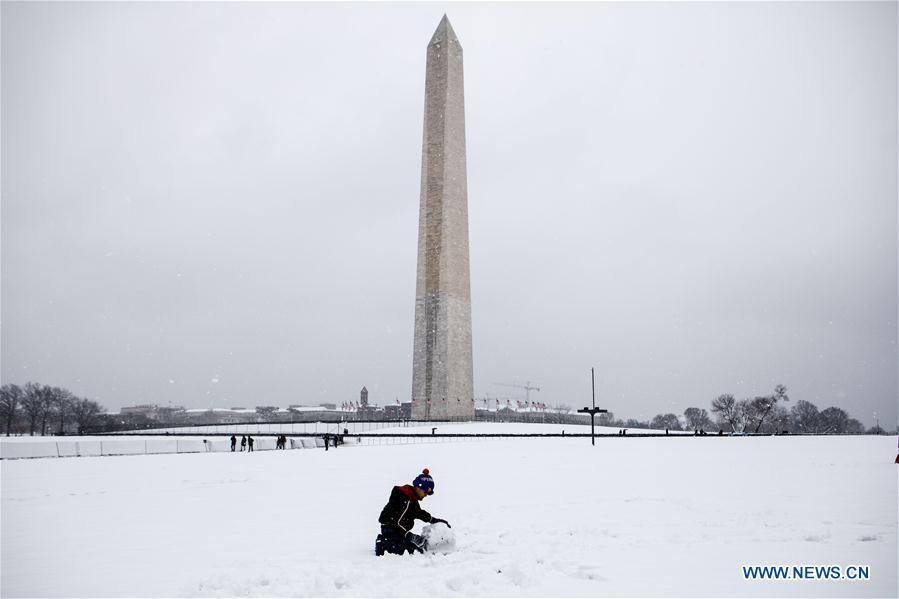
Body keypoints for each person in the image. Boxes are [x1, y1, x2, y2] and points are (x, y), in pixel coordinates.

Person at [375, 468, 450, 556]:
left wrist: (434, 520)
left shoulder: (411, 497)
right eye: (425, 492)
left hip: (397, 529)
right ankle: (383, 544)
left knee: (417, 547)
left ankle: (392, 541)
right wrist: (410, 536)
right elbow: (396, 522)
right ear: (418, 487)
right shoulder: (406, 500)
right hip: (391, 529)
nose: (426, 495)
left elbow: (418, 513)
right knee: (411, 550)